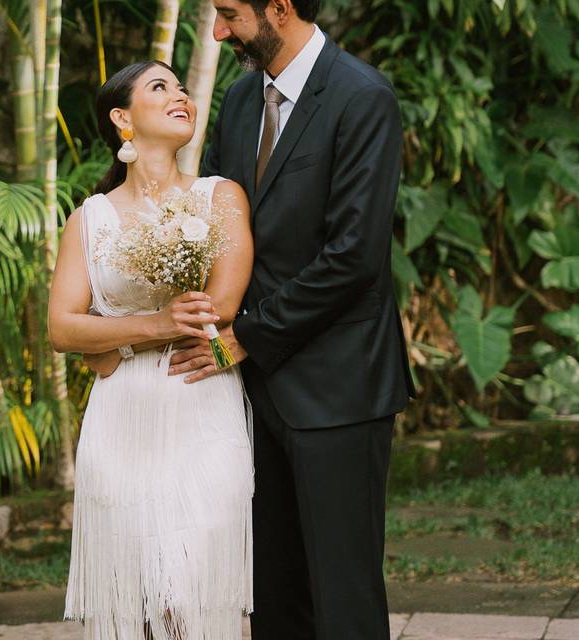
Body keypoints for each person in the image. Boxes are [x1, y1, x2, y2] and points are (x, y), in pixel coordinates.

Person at [166, 0, 418, 637]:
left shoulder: (363, 97)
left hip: (339, 387)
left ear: (279, 7)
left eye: (228, 14)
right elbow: (224, 230)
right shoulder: (242, 99)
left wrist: (246, 336)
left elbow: (354, 257)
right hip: (251, 395)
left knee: (342, 594)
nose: (219, 32)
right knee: (271, 596)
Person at [48, 60, 255, 639]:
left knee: (193, 592)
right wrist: (152, 324)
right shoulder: (89, 220)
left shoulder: (221, 197)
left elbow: (218, 309)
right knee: (133, 597)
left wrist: (115, 336)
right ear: (123, 119)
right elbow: (63, 329)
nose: (181, 96)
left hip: (200, 399)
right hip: (122, 420)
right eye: (159, 87)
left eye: (182, 87)